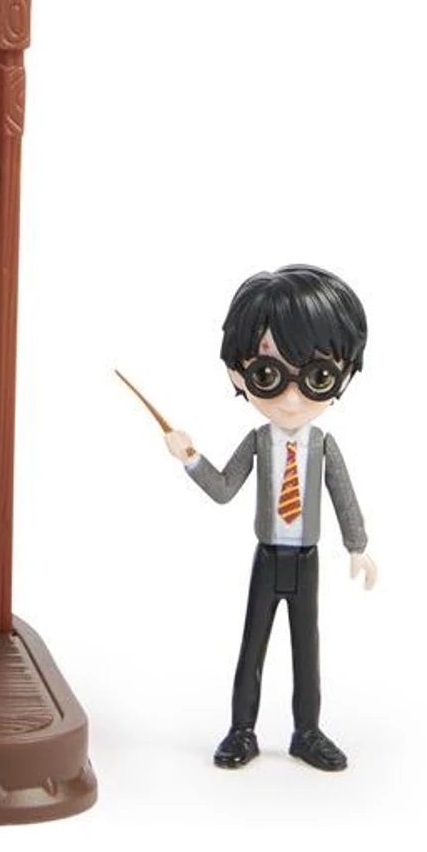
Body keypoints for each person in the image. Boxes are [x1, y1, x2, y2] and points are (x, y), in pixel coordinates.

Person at [162, 264, 377, 771]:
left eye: (319, 377)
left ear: (343, 375)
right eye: (268, 375)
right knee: (253, 645)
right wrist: (190, 457)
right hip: (267, 558)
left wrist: (358, 547)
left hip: (306, 561)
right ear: (239, 374)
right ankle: (242, 730)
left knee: (307, 650)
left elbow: (344, 498)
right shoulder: (258, 442)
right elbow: (223, 489)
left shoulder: (323, 446)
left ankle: (307, 732)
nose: (292, 398)